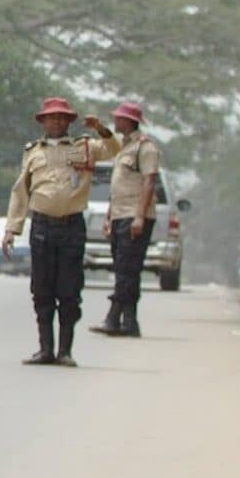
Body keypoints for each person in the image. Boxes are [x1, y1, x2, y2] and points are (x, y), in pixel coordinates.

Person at [3, 98, 120, 367]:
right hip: (42, 226)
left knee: (69, 290)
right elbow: (20, 191)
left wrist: (101, 128)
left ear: (69, 122)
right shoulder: (33, 152)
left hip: (71, 227)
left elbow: (114, 149)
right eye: (50, 117)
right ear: (42, 122)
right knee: (42, 290)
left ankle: (65, 350)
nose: (55, 122)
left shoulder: (85, 146)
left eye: (61, 117)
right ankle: (45, 348)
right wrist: (12, 229)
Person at [90, 102, 160, 337]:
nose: (115, 122)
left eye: (119, 118)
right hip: (120, 214)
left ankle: (113, 317)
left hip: (135, 215)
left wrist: (140, 216)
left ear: (129, 121)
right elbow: (117, 186)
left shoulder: (145, 147)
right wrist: (109, 216)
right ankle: (129, 322)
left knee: (127, 269)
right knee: (125, 269)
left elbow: (149, 182)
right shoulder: (123, 148)